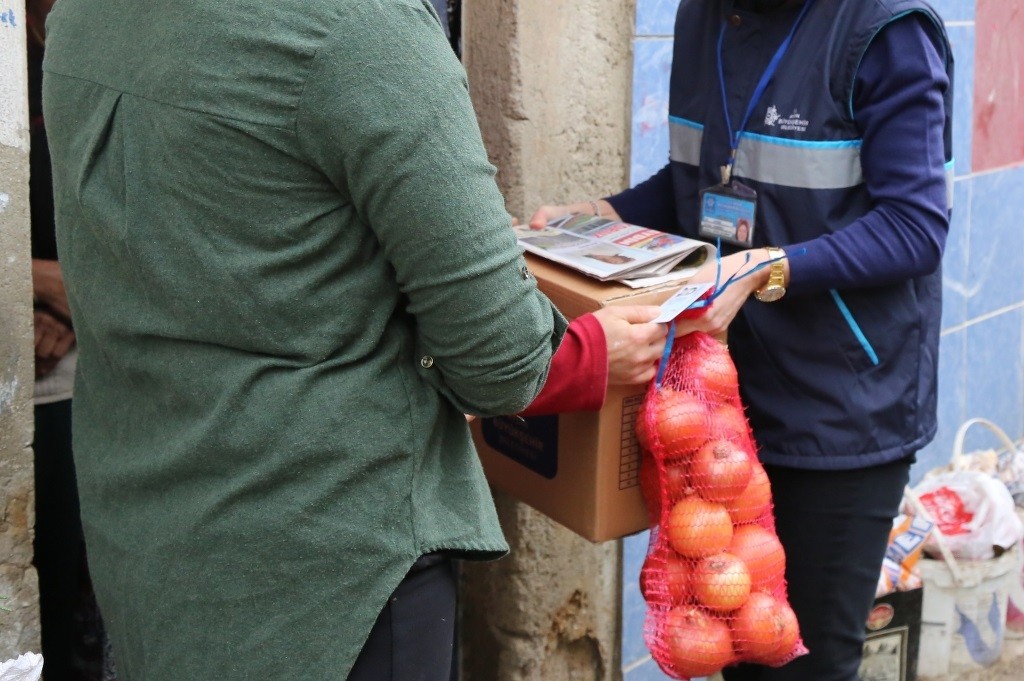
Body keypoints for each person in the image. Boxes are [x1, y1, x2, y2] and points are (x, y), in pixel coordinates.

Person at [41, 1, 667, 679]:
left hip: (144, 552)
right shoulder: (359, 29)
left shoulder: (82, 14)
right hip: (326, 583)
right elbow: (500, 360)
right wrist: (589, 349)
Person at [532, 1, 953, 679]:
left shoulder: (886, 29)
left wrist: (773, 266)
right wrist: (605, 216)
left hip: (840, 406)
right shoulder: (704, 16)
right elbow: (699, 187)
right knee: (738, 644)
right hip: (720, 399)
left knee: (803, 657)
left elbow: (914, 225)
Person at [27, 1, 114, 678]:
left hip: (121, 364)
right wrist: (24, 286)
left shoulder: (128, 36)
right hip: (41, 384)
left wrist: (75, 295)